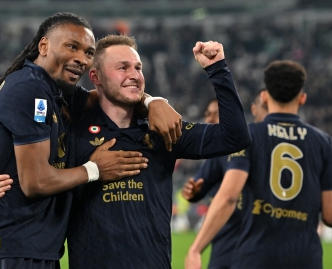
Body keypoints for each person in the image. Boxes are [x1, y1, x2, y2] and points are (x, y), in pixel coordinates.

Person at [0, 12, 180, 269]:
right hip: (8, 249)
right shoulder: (29, 88)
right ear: (43, 46)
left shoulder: (55, 91)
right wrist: (95, 169)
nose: (82, 59)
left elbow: (110, 95)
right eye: (72, 47)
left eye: (88, 52)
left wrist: (152, 101)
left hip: (35, 249)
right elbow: (35, 182)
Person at [64, 35, 250, 268]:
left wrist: (218, 69)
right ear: (95, 77)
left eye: (138, 68)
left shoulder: (163, 130)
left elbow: (235, 137)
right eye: (122, 68)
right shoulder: (73, 131)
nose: (134, 75)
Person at [185, 60, 332, 269]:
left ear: (264, 96)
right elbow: (329, 214)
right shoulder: (322, 142)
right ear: (302, 99)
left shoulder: (248, 136)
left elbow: (228, 197)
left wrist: (196, 248)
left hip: (256, 256)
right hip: (304, 258)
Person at [181, 89, 267, 269]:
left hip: (249, 242)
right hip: (226, 244)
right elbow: (197, 186)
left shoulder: (248, 144)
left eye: (216, 114)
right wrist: (193, 192)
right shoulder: (217, 155)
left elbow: (229, 197)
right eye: (207, 115)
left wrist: (195, 249)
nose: (210, 119)